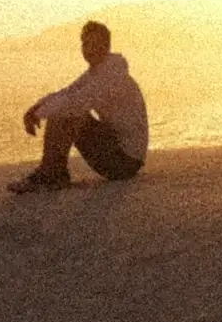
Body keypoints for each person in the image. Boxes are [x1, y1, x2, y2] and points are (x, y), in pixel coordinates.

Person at [11, 20, 147, 193]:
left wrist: (39, 114)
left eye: (96, 44)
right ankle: (54, 173)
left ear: (106, 46)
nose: (90, 49)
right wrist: (35, 109)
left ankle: (50, 174)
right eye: (86, 44)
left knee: (67, 112)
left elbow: (77, 102)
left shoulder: (111, 75)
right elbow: (67, 93)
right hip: (116, 153)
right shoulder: (97, 72)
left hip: (126, 162)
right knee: (63, 107)